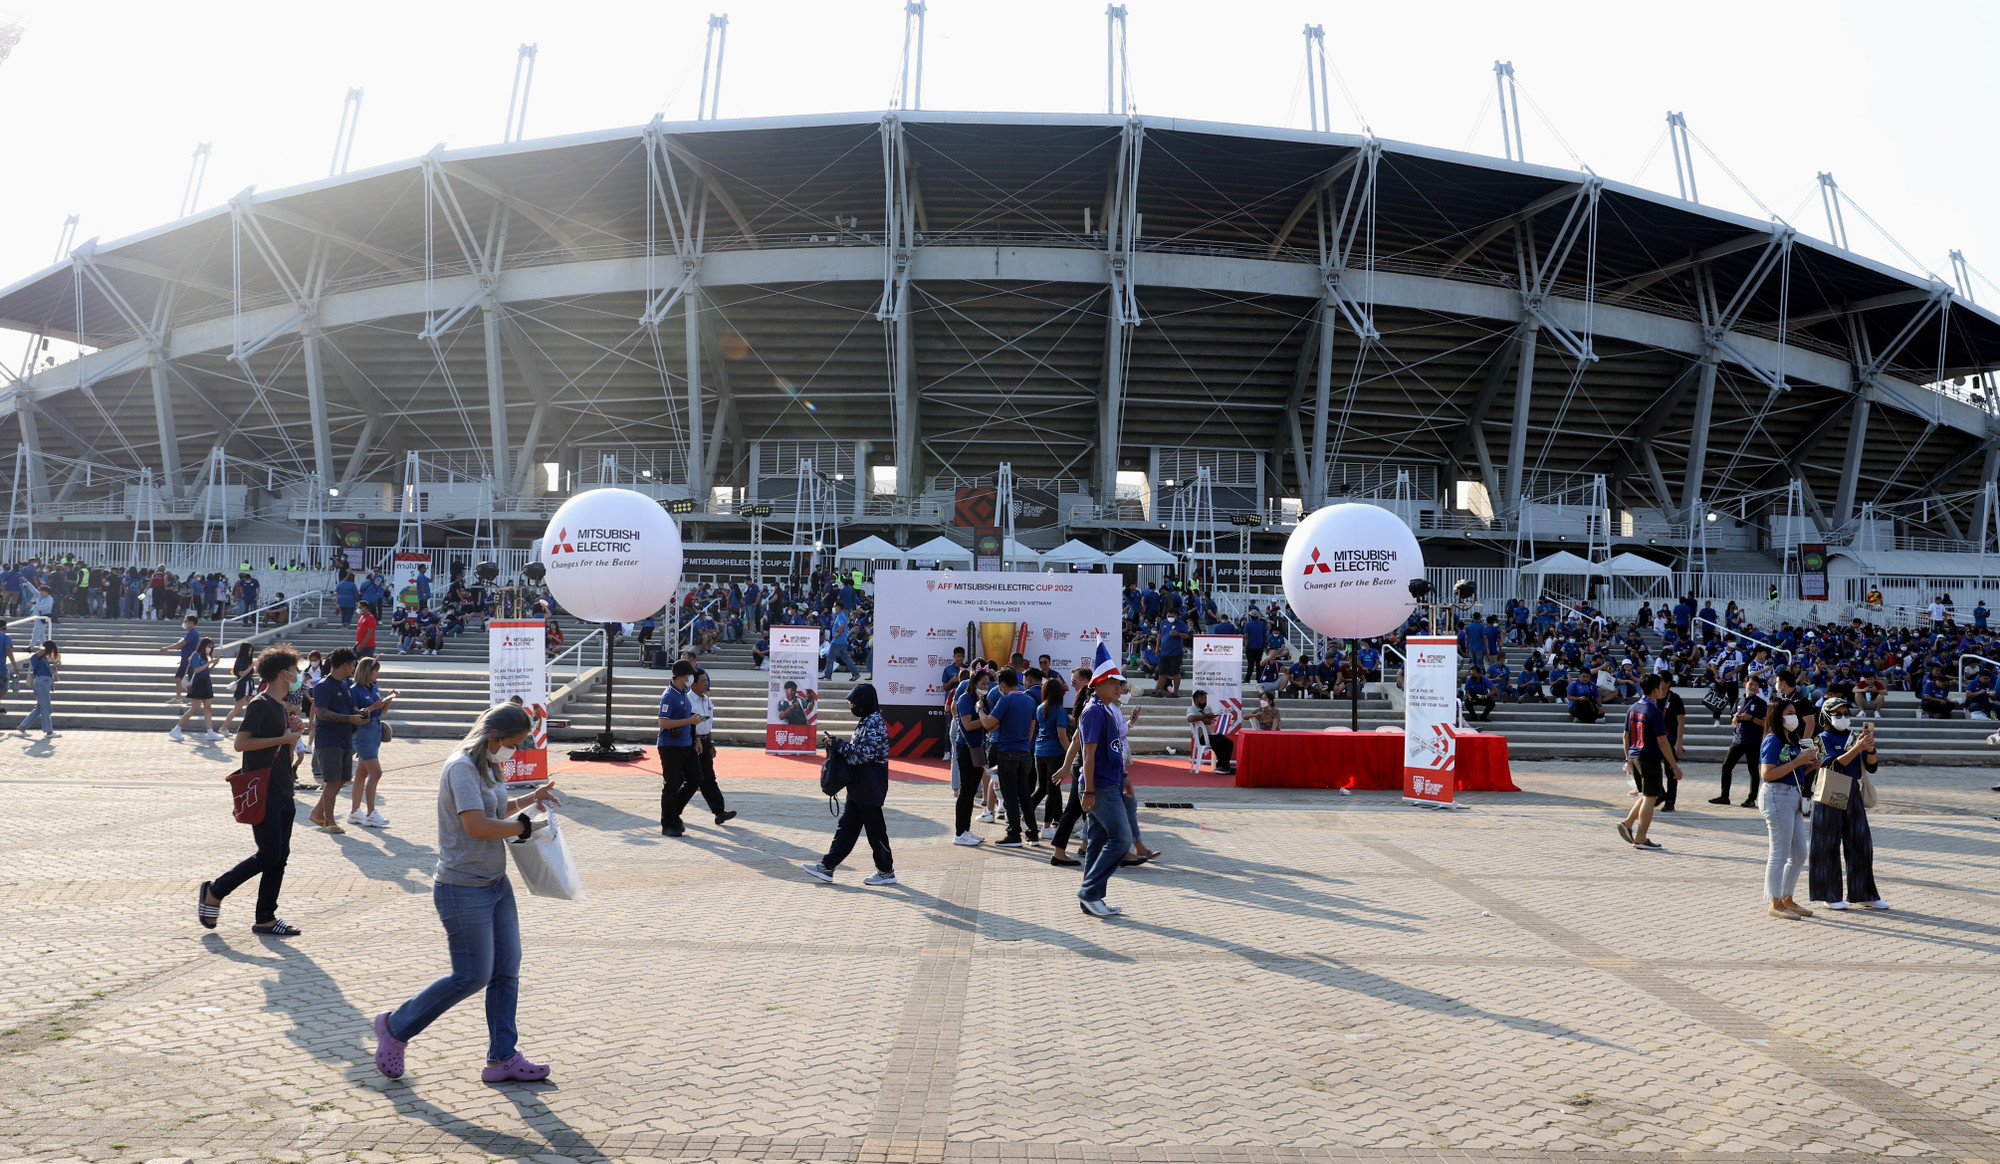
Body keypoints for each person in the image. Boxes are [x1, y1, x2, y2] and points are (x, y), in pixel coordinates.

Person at [372, 702, 560, 1082]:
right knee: (471, 975)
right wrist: (524, 828)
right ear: (493, 737)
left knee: (506, 972)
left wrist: (529, 800)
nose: (516, 751)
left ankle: (502, 1058)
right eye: (514, 743)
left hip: (495, 883)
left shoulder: (489, 763)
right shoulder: (460, 767)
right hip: (462, 888)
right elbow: (476, 825)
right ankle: (395, 1027)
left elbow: (494, 807)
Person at [198, 645, 307, 936]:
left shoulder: (281, 706)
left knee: (280, 855)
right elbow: (241, 743)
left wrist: (292, 734)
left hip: (284, 787)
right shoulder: (260, 704)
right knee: (269, 853)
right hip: (265, 790)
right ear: (283, 673)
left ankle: (266, 918)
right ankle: (216, 890)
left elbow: (282, 743)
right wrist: (282, 738)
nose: (298, 675)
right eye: (295, 671)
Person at [801, 683, 897, 886]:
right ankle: (827, 866)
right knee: (847, 828)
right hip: (860, 787)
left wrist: (839, 745)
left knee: (875, 831)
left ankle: (886, 871)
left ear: (864, 702)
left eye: (854, 702)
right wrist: (839, 744)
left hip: (869, 787)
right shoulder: (868, 719)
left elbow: (863, 755)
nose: (852, 706)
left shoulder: (874, 722)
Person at [1809, 698, 1888, 911]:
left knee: (1860, 843)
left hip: (1853, 789)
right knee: (1827, 844)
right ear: (1826, 716)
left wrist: (1869, 749)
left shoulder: (1856, 737)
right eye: (1837, 714)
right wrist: (1857, 747)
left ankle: (1865, 894)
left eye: (1846, 713)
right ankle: (1829, 894)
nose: (1843, 717)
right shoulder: (1820, 738)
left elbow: (1872, 768)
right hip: (1831, 788)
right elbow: (1832, 765)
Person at [1076, 642, 1133, 917]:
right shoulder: (1094, 711)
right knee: (1121, 839)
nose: (1118, 688)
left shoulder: (1107, 708)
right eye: (1112, 683)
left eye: (1118, 684)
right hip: (1098, 785)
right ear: (1098, 684)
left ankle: (1092, 898)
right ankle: (1089, 892)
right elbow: (1088, 754)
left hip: (1107, 782)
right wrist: (1088, 791)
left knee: (1097, 843)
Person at [1755, 694, 1819, 919]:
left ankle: (1787, 897)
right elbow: (1767, 774)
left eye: (1795, 713)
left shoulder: (1791, 739)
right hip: (1776, 796)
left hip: (1793, 796)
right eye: (1790, 713)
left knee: (1800, 853)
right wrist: (1798, 762)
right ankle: (1775, 902)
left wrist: (1810, 765)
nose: (1795, 717)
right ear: (1777, 716)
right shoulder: (1773, 739)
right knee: (1779, 853)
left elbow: (1794, 772)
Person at [308, 649, 367, 834]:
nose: (353, 668)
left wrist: (361, 712)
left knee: (341, 780)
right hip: (329, 739)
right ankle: (329, 821)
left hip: (344, 738)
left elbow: (350, 707)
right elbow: (322, 713)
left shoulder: (344, 684)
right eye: (352, 665)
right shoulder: (324, 685)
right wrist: (350, 719)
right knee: (333, 780)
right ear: (345, 665)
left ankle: (317, 813)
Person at [980, 668, 1041, 846]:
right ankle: (1032, 832)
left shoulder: (1005, 701)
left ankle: (1014, 833)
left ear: (1003, 684)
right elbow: (1031, 730)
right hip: (1024, 752)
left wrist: (980, 711)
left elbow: (989, 724)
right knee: (1025, 795)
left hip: (1007, 751)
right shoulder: (1030, 701)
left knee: (1010, 795)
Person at [1618, 675, 1678, 851]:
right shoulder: (1654, 711)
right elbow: (1662, 741)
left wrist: (1628, 758)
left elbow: (1625, 735)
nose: (1663, 689)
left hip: (1635, 756)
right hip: (1649, 757)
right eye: (1661, 686)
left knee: (1648, 794)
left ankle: (1628, 823)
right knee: (1651, 797)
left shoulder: (1633, 707)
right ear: (1655, 689)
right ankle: (1641, 838)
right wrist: (1674, 766)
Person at [670, 669, 736, 828]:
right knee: (684, 779)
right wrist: (697, 739)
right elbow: (690, 724)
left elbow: (708, 723)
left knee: (708, 777)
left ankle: (719, 811)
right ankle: (672, 810)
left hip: (704, 742)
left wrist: (711, 743)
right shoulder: (687, 700)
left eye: (707, 681)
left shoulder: (707, 700)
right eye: (703, 681)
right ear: (693, 684)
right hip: (691, 742)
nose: (706, 684)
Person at [655, 661, 708, 837]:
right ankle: (668, 823)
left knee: (695, 778)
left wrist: (696, 738)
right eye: (688, 675)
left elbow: (688, 719)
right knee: (671, 784)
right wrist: (689, 721)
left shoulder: (684, 693)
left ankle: (674, 813)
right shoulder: (669, 695)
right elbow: (663, 722)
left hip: (686, 744)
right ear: (681, 676)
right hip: (671, 746)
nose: (690, 678)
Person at [345, 657, 397, 827]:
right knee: (376, 773)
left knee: (362, 773)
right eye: (375, 670)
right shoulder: (355, 690)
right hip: (362, 733)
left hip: (374, 730)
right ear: (367, 671)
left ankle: (355, 811)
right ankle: (371, 813)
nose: (377, 674)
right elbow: (358, 713)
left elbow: (381, 711)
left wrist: (388, 699)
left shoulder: (372, 686)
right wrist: (374, 706)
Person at [951, 669, 995, 846]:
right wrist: (986, 720)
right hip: (966, 748)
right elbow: (967, 725)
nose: (986, 687)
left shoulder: (980, 700)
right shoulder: (965, 699)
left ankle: (966, 829)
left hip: (978, 747)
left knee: (971, 793)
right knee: (966, 792)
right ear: (974, 683)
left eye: (987, 684)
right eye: (983, 683)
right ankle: (960, 833)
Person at [1713, 673, 1768, 808]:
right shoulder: (1739, 701)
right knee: (1726, 767)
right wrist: (1737, 718)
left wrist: (1752, 718)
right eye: (1751, 684)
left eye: (1756, 684)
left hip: (1753, 741)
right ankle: (1724, 796)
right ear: (1745, 684)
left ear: (1758, 688)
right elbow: (1733, 720)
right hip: (1738, 739)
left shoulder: (1761, 703)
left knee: (1753, 770)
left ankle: (1751, 798)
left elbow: (1766, 723)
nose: (1753, 686)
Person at [1031, 674, 1072, 841]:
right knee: (1052, 790)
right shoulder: (1060, 710)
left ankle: (1024, 815)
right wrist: (1071, 752)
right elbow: (1062, 736)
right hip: (1055, 753)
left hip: (1039, 751)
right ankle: (1046, 827)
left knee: (1042, 788)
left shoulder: (1040, 707)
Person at [170, 637, 223, 743]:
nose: (210, 649)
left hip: (205, 682)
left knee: (208, 708)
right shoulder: (196, 655)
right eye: (209, 647)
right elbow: (197, 670)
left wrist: (213, 664)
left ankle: (210, 732)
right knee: (194, 709)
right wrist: (210, 662)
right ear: (203, 646)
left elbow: (206, 671)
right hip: (198, 684)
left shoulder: (204, 657)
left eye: (211, 648)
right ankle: (176, 729)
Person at [15, 639, 60, 738]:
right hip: (42, 684)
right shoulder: (37, 657)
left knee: (39, 708)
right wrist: (43, 647)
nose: (51, 653)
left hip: (43, 683)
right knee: (46, 708)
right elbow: (38, 654)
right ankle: (49, 732)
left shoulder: (43, 658)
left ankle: (22, 727)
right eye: (51, 650)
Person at [1185, 689, 1237, 774]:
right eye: (1202, 699)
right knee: (1216, 742)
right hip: (1201, 737)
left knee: (1228, 742)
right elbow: (1190, 719)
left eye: (1205, 699)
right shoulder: (1192, 709)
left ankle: (1224, 766)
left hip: (1211, 734)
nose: (1204, 701)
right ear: (1195, 700)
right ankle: (1223, 766)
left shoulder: (1208, 708)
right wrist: (1205, 717)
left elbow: (1212, 719)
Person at [158, 614, 202, 703]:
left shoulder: (193, 633)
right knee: (178, 678)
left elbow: (181, 644)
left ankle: (194, 700)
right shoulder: (191, 632)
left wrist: (167, 648)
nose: (184, 623)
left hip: (190, 661)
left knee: (191, 681)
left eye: (186, 621)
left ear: (191, 622)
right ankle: (178, 698)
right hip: (185, 661)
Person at [220, 641, 256, 735]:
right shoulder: (240, 660)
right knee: (238, 709)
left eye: (251, 650)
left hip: (249, 685)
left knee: (252, 707)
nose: (250, 652)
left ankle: (250, 728)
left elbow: (248, 674)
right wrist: (252, 666)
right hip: (243, 686)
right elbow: (242, 674)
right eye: (249, 650)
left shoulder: (247, 661)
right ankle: (224, 728)